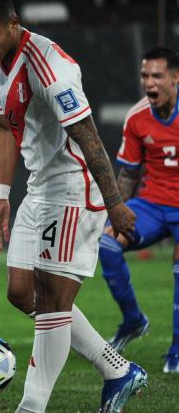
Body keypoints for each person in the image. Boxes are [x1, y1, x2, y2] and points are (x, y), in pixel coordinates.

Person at [0, 0, 146, 413]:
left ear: (13, 25)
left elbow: (89, 137)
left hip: (74, 189)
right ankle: (118, 371)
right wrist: (0, 195)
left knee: (50, 304)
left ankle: (31, 406)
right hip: (39, 187)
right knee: (20, 292)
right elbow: (4, 128)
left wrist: (116, 204)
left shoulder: (51, 69)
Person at [99, 47, 179, 373]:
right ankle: (133, 321)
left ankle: (177, 348)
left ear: (175, 78)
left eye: (157, 76)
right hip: (153, 204)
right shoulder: (137, 117)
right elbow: (129, 173)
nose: (149, 83)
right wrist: (115, 214)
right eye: (145, 76)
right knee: (106, 245)